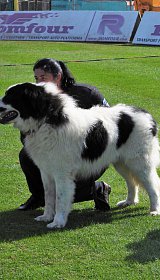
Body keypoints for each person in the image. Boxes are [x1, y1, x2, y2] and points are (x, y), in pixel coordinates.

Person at [18, 58, 112, 211]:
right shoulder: (35, 100)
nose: (38, 82)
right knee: (26, 156)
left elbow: (110, 122)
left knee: (67, 187)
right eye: (36, 78)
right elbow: (26, 133)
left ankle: (97, 189)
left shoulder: (87, 94)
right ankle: (38, 196)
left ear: (58, 76)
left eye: (43, 77)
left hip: (89, 154)